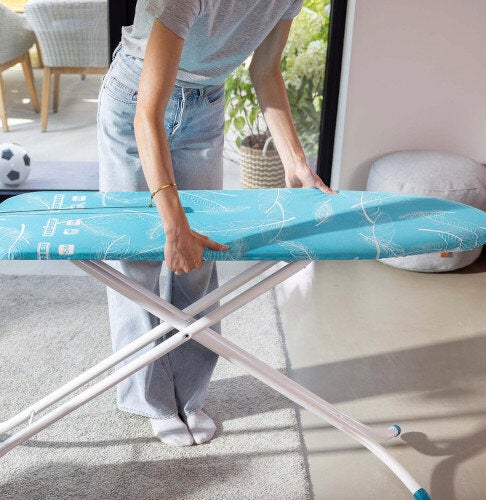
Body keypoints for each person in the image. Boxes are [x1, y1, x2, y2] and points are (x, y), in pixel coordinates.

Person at [97, 0, 335, 447]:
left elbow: (265, 71)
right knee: (137, 257)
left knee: (200, 257)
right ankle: (150, 399)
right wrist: (174, 225)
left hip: (205, 107)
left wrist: (296, 163)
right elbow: (147, 115)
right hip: (134, 103)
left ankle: (188, 395)